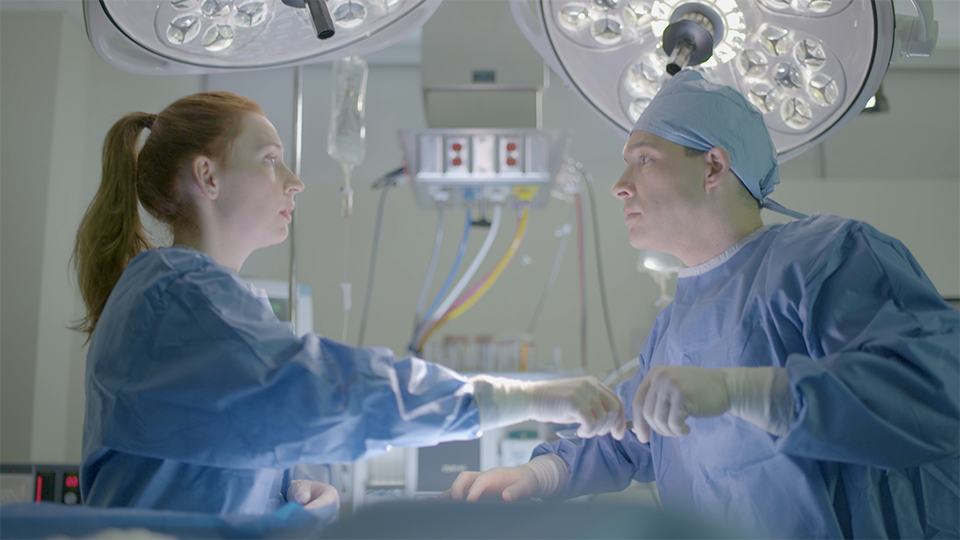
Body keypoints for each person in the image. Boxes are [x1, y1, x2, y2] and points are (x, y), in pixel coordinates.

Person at [442, 70, 960, 540]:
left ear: (713, 165)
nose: (620, 187)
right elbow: (633, 432)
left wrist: (740, 390)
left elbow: (930, 393)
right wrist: (537, 476)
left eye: (643, 160)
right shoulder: (673, 326)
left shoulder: (828, 257)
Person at [72, 91, 627, 516]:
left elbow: (241, 437)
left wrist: (296, 484)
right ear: (207, 175)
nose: (295, 182)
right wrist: (520, 398)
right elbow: (327, 392)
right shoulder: (176, 299)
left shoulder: (217, 303)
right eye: (270, 159)